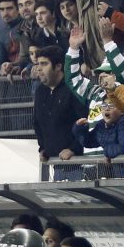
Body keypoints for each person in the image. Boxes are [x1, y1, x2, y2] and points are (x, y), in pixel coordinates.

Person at [34, 45, 86, 179]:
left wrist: (74, 149)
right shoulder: (40, 91)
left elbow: (86, 122)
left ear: (58, 66)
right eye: (38, 64)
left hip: (80, 164)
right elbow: (37, 123)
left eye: (44, 64)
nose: (39, 68)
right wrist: (43, 148)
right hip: (56, 165)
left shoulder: (73, 88)